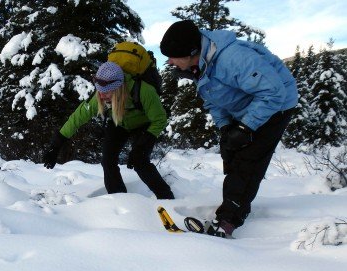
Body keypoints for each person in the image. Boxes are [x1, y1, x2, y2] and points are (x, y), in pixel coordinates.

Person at [160, 20, 298, 238]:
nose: (169, 61)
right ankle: (234, 205)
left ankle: (228, 221)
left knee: (248, 159)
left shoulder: (233, 59)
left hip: (276, 106)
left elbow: (273, 93)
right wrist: (226, 128)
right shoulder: (202, 64)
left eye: (172, 56)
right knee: (231, 152)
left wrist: (245, 128)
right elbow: (214, 100)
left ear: (191, 52)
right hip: (248, 107)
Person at [42, 60, 175, 200]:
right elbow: (78, 117)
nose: (101, 95)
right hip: (119, 122)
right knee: (107, 161)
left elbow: (160, 119)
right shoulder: (100, 94)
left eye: (106, 92)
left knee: (140, 162)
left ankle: (166, 198)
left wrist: (141, 147)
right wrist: (56, 145)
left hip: (143, 125)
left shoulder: (144, 91)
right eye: (99, 91)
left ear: (118, 88)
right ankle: (118, 199)